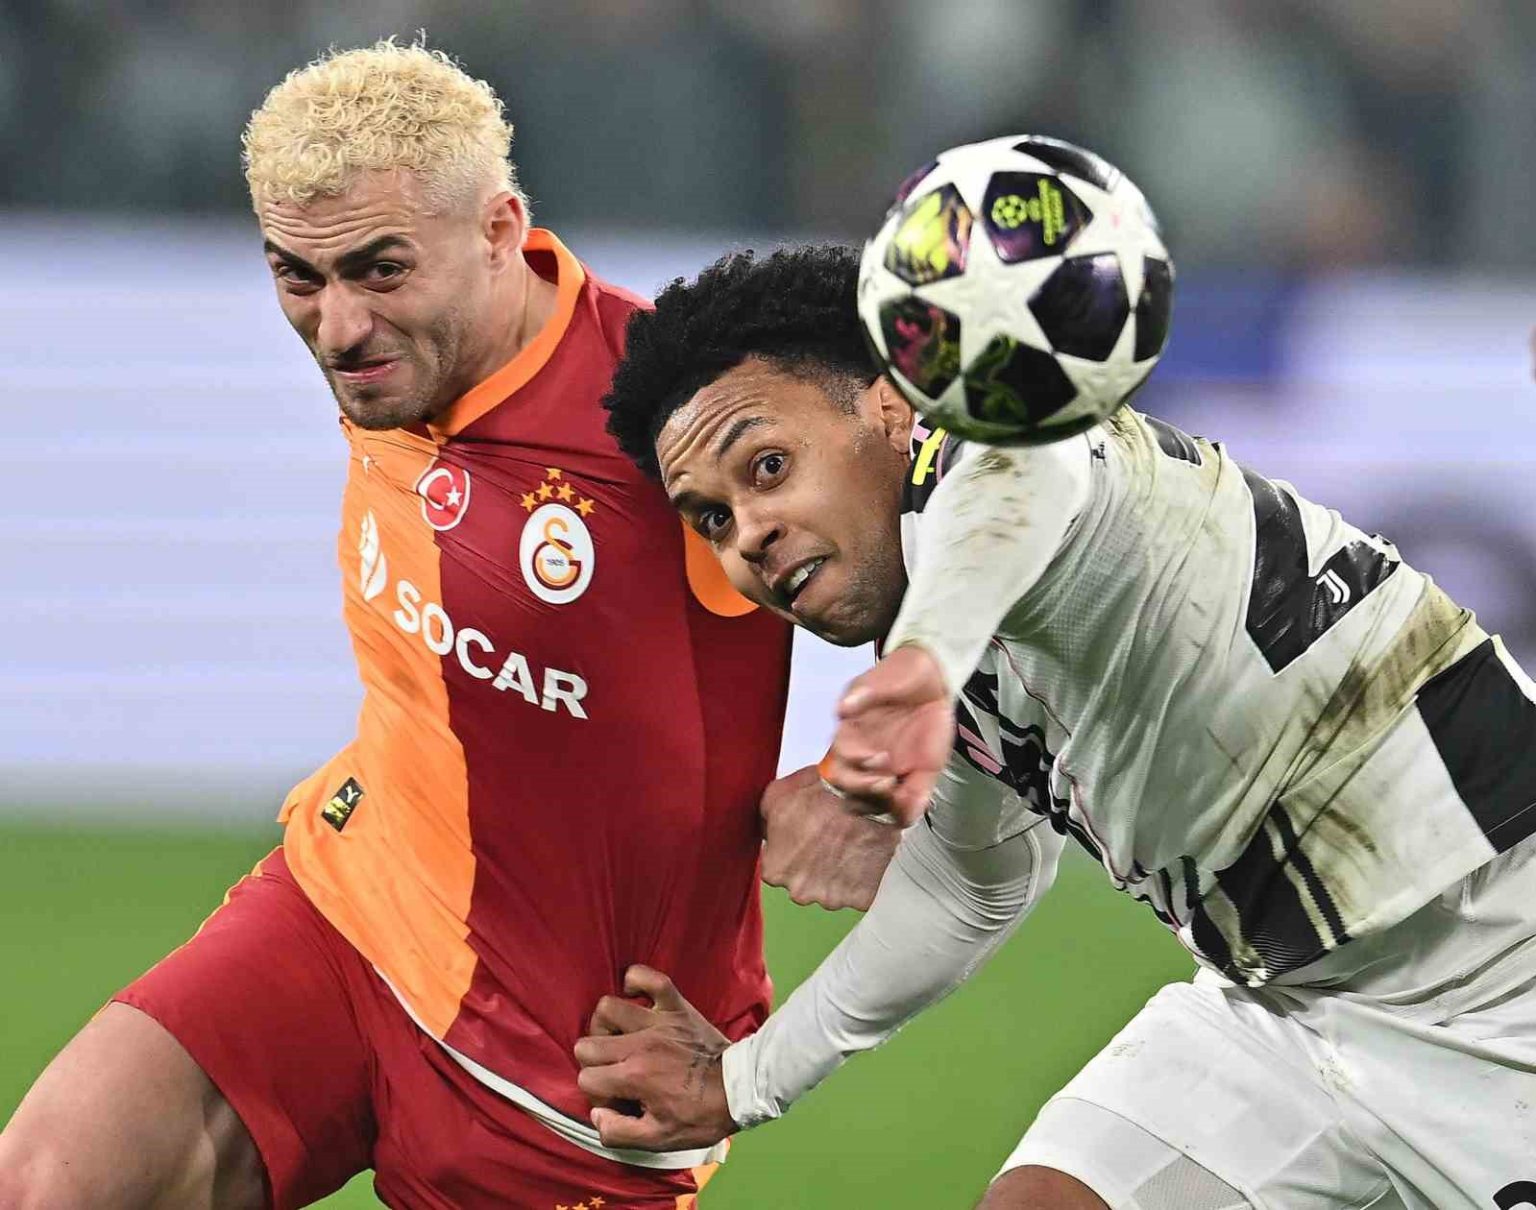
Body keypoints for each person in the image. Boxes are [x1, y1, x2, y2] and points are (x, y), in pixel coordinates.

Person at [0, 41, 812, 1210]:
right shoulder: (397, 367)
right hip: (345, 922)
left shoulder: (680, 414)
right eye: (297, 276)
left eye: (379, 270)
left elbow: (972, 570)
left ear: (499, 229)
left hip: (579, 1080)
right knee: (45, 1185)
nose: (337, 327)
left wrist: (870, 770)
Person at [578, 244, 1536, 1210]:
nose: (749, 532)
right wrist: (741, 1080)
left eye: (769, 467)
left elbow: (1024, 477)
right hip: (1284, 1008)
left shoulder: (1001, 454)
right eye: (712, 518)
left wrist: (918, 674)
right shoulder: (949, 634)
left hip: (1501, 960)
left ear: (892, 408)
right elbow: (966, 889)